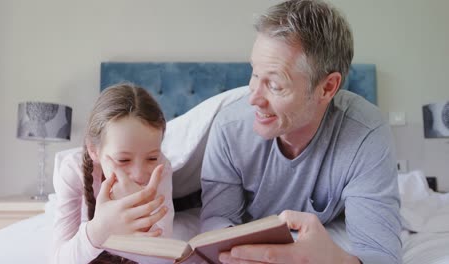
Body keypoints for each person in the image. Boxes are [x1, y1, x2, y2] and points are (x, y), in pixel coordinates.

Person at [200, 0, 402, 263]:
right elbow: (217, 218)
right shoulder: (229, 128)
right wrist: (236, 254)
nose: (254, 99)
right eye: (254, 73)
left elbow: (382, 256)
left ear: (327, 88)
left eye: (274, 84)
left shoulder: (364, 134)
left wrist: (334, 260)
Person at [51, 84, 174, 264]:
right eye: (123, 160)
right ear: (94, 150)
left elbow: (164, 257)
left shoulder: (161, 168)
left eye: (152, 158)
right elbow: (58, 260)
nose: (139, 175)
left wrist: (143, 221)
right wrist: (99, 229)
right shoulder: (73, 169)